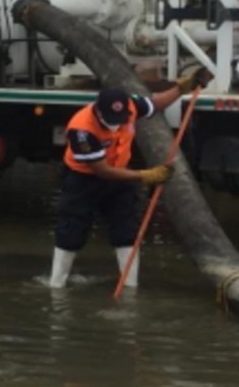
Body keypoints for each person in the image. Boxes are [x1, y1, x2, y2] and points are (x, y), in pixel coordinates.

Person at [50, 80, 198, 288]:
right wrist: (144, 176)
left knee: (126, 228)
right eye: (112, 119)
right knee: (72, 228)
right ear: (98, 111)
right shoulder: (82, 129)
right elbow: (102, 171)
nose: (117, 123)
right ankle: (56, 284)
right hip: (84, 179)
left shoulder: (130, 105)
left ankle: (130, 286)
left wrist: (182, 89)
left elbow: (156, 104)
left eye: (121, 119)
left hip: (120, 175)